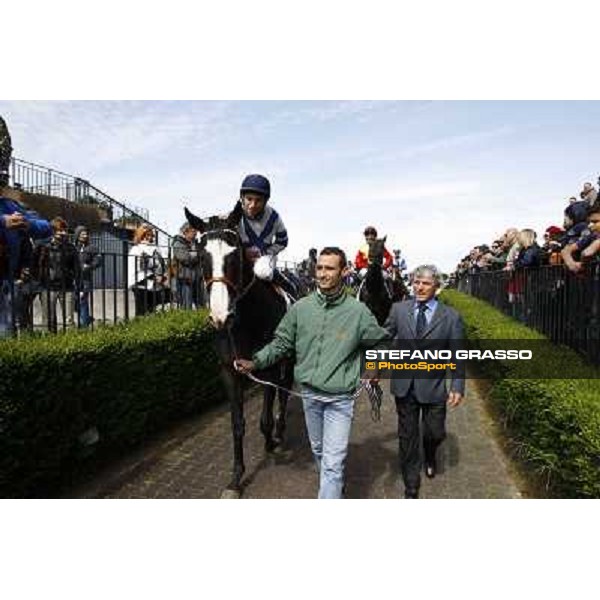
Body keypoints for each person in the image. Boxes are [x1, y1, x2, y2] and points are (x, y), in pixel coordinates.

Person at [234, 247, 387, 499]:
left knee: (332, 464)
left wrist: (373, 366)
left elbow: (380, 342)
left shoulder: (358, 312)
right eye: (320, 268)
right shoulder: (300, 309)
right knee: (318, 450)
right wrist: (255, 362)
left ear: (344, 271)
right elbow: (281, 343)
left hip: (340, 400)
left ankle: (331, 486)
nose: (323, 274)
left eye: (330, 268)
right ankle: (332, 483)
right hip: (309, 397)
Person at [384, 264, 465, 499]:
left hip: (434, 387)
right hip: (404, 385)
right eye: (417, 282)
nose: (419, 287)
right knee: (407, 436)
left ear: (437, 288)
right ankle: (411, 484)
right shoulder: (398, 310)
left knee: (435, 433)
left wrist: (457, 386)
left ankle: (430, 454)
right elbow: (384, 338)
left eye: (426, 283)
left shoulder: (451, 317)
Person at [236, 174, 297, 299]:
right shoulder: (234, 216)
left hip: (265, 258)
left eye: (258, 200)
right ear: (242, 198)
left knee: (262, 270)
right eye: (249, 199)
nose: (252, 205)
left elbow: (283, 241)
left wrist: (264, 252)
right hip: (241, 258)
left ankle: (288, 287)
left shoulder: (274, 217)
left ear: (265, 201)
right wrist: (243, 253)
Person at [1, 191, 52, 337]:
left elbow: (45, 227)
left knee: (7, 334)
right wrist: (3, 221)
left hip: (7, 282)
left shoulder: (9, 205)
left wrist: (28, 224)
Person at [36, 217, 80, 332]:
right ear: (54, 230)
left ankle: (71, 345)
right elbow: (36, 264)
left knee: (69, 320)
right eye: (60, 230)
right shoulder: (44, 246)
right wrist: (38, 281)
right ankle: (49, 344)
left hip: (67, 287)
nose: (63, 233)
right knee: (47, 320)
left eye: (64, 230)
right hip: (48, 286)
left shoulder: (71, 248)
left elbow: (76, 268)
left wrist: (75, 281)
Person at [128, 224, 169, 316]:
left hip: (155, 285)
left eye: (151, 235)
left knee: (154, 312)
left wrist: (163, 276)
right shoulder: (136, 249)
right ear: (141, 235)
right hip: (141, 285)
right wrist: (154, 277)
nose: (150, 237)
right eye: (147, 235)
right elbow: (138, 268)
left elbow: (161, 263)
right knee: (142, 312)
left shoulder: (155, 248)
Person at [74, 225, 101, 327]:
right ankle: (83, 319)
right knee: (75, 302)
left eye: (86, 234)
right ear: (77, 235)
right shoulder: (73, 248)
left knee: (82, 300)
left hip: (85, 279)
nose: (85, 236)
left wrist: (89, 266)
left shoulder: (92, 248)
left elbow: (98, 261)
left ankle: (84, 325)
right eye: (82, 234)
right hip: (73, 279)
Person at [171, 221, 203, 309]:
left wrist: (195, 254)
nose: (196, 233)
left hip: (196, 278)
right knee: (186, 306)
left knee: (201, 305)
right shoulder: (178, 243)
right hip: (185, 279)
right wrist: (197, 255)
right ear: (186, 231)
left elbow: (201, 255)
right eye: (193, 231)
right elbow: (185, 259)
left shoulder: (194, 243)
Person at [561, 204, 600, 273]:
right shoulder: (592, 235)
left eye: (595, 222)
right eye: (590, 222)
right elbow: (565, 251)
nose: (590, 225)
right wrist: (572, 264)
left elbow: (587, 253)